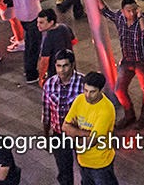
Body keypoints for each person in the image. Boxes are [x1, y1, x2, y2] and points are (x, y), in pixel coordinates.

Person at [95, 0, 144, 130]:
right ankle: (129, 115)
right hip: (127, 60)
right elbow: (106, 11)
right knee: (119, 90)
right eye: (128, 11)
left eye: (134, 10)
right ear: (122, 11)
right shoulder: (120, 19)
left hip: (142, 60)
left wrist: (140, 17)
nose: (132, 13)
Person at [62, 71, 118, 185]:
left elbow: (90, 142)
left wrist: (74, 132)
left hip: (100, 164)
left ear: (100, 90)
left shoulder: (106, 110)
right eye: (85, 90)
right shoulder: (80, 99)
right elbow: (64, 127)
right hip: (82, 160)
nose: (87, 95)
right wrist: (85, 133)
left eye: (92, 92)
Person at [42, 49, 85, 185]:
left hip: (79, 134)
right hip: (59, 134)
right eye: (58, 66)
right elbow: (46, 112)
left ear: (72, 65)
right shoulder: (49, 84)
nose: (62, 70)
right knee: (64, 171)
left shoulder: (83, 83)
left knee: (86, 168)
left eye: (65, 65)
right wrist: (46, 136)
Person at [36, 9, 76, 85]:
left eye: (41, 22)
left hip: (56, 73)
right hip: (70, 68)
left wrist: (41, 77)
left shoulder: (48, 38)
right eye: (37, 22)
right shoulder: (65, 27)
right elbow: (74, 41)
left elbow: (44, 60)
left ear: (51, 22)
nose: (38, 25)